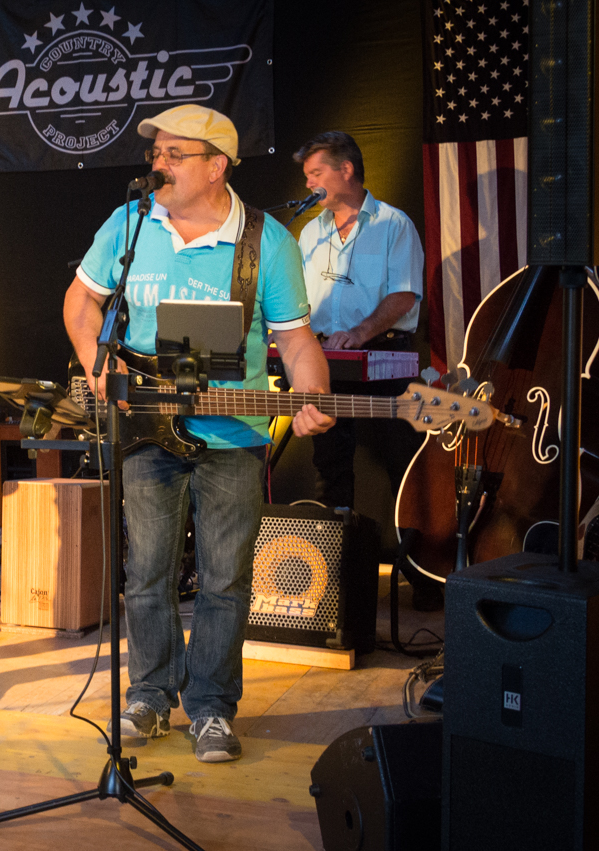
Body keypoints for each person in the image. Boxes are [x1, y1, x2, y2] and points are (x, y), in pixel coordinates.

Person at [63, 105, 334, 762]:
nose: (159, 164)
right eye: (156, 153)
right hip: (145, 431)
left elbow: (297, 341)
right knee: (146, 571)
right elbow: (81, 301)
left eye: (175, 154)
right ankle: (149, 695)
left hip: (233, 437)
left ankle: (211, 706)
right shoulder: (130, 222)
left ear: (217, 167)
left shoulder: (266, 241)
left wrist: (313, 394)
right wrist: (97, 365)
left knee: (225, 579)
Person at [293, 132, 441, 609]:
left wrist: (359, 333)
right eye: (307, 176)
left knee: (403, 467)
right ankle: (333, 576)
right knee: (330, 466)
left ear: (346, 170)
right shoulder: (310, 233)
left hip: (385, 359)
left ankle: (423, 575)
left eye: (316, 173)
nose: (309, 183)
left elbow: (404, 295)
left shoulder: (394, 224)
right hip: (325, 360)